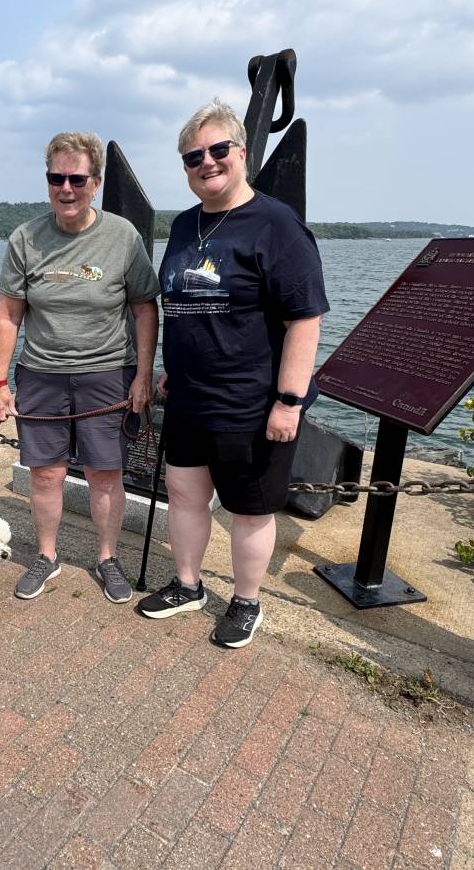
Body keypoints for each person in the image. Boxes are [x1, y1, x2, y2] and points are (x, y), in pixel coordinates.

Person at [136, 99, 328, 648]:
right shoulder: (184, 225)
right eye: (193, 156)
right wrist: (172, 368)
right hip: (190, 397)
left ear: (241, 153)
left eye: (218, 149)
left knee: (249, 509)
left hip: (251, 402)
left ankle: (246, 601)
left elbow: (304, 319)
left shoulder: (277, 226)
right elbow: (182, 304)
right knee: (184, 494)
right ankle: (188, 584)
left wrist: (289, 401)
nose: (207, 162)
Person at [0, 131, 160, 604]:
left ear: (96, 183)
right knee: (45, 474)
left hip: (108, 373)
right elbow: (9, 314)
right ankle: (47, 556)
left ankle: (107, 558)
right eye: (56, 178)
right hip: (41, 374)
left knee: (106, 474)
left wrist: (143, 375)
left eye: (77, 179)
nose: (66, 188)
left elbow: (145, 308)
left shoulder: (122, 237)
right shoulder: (25, 238)